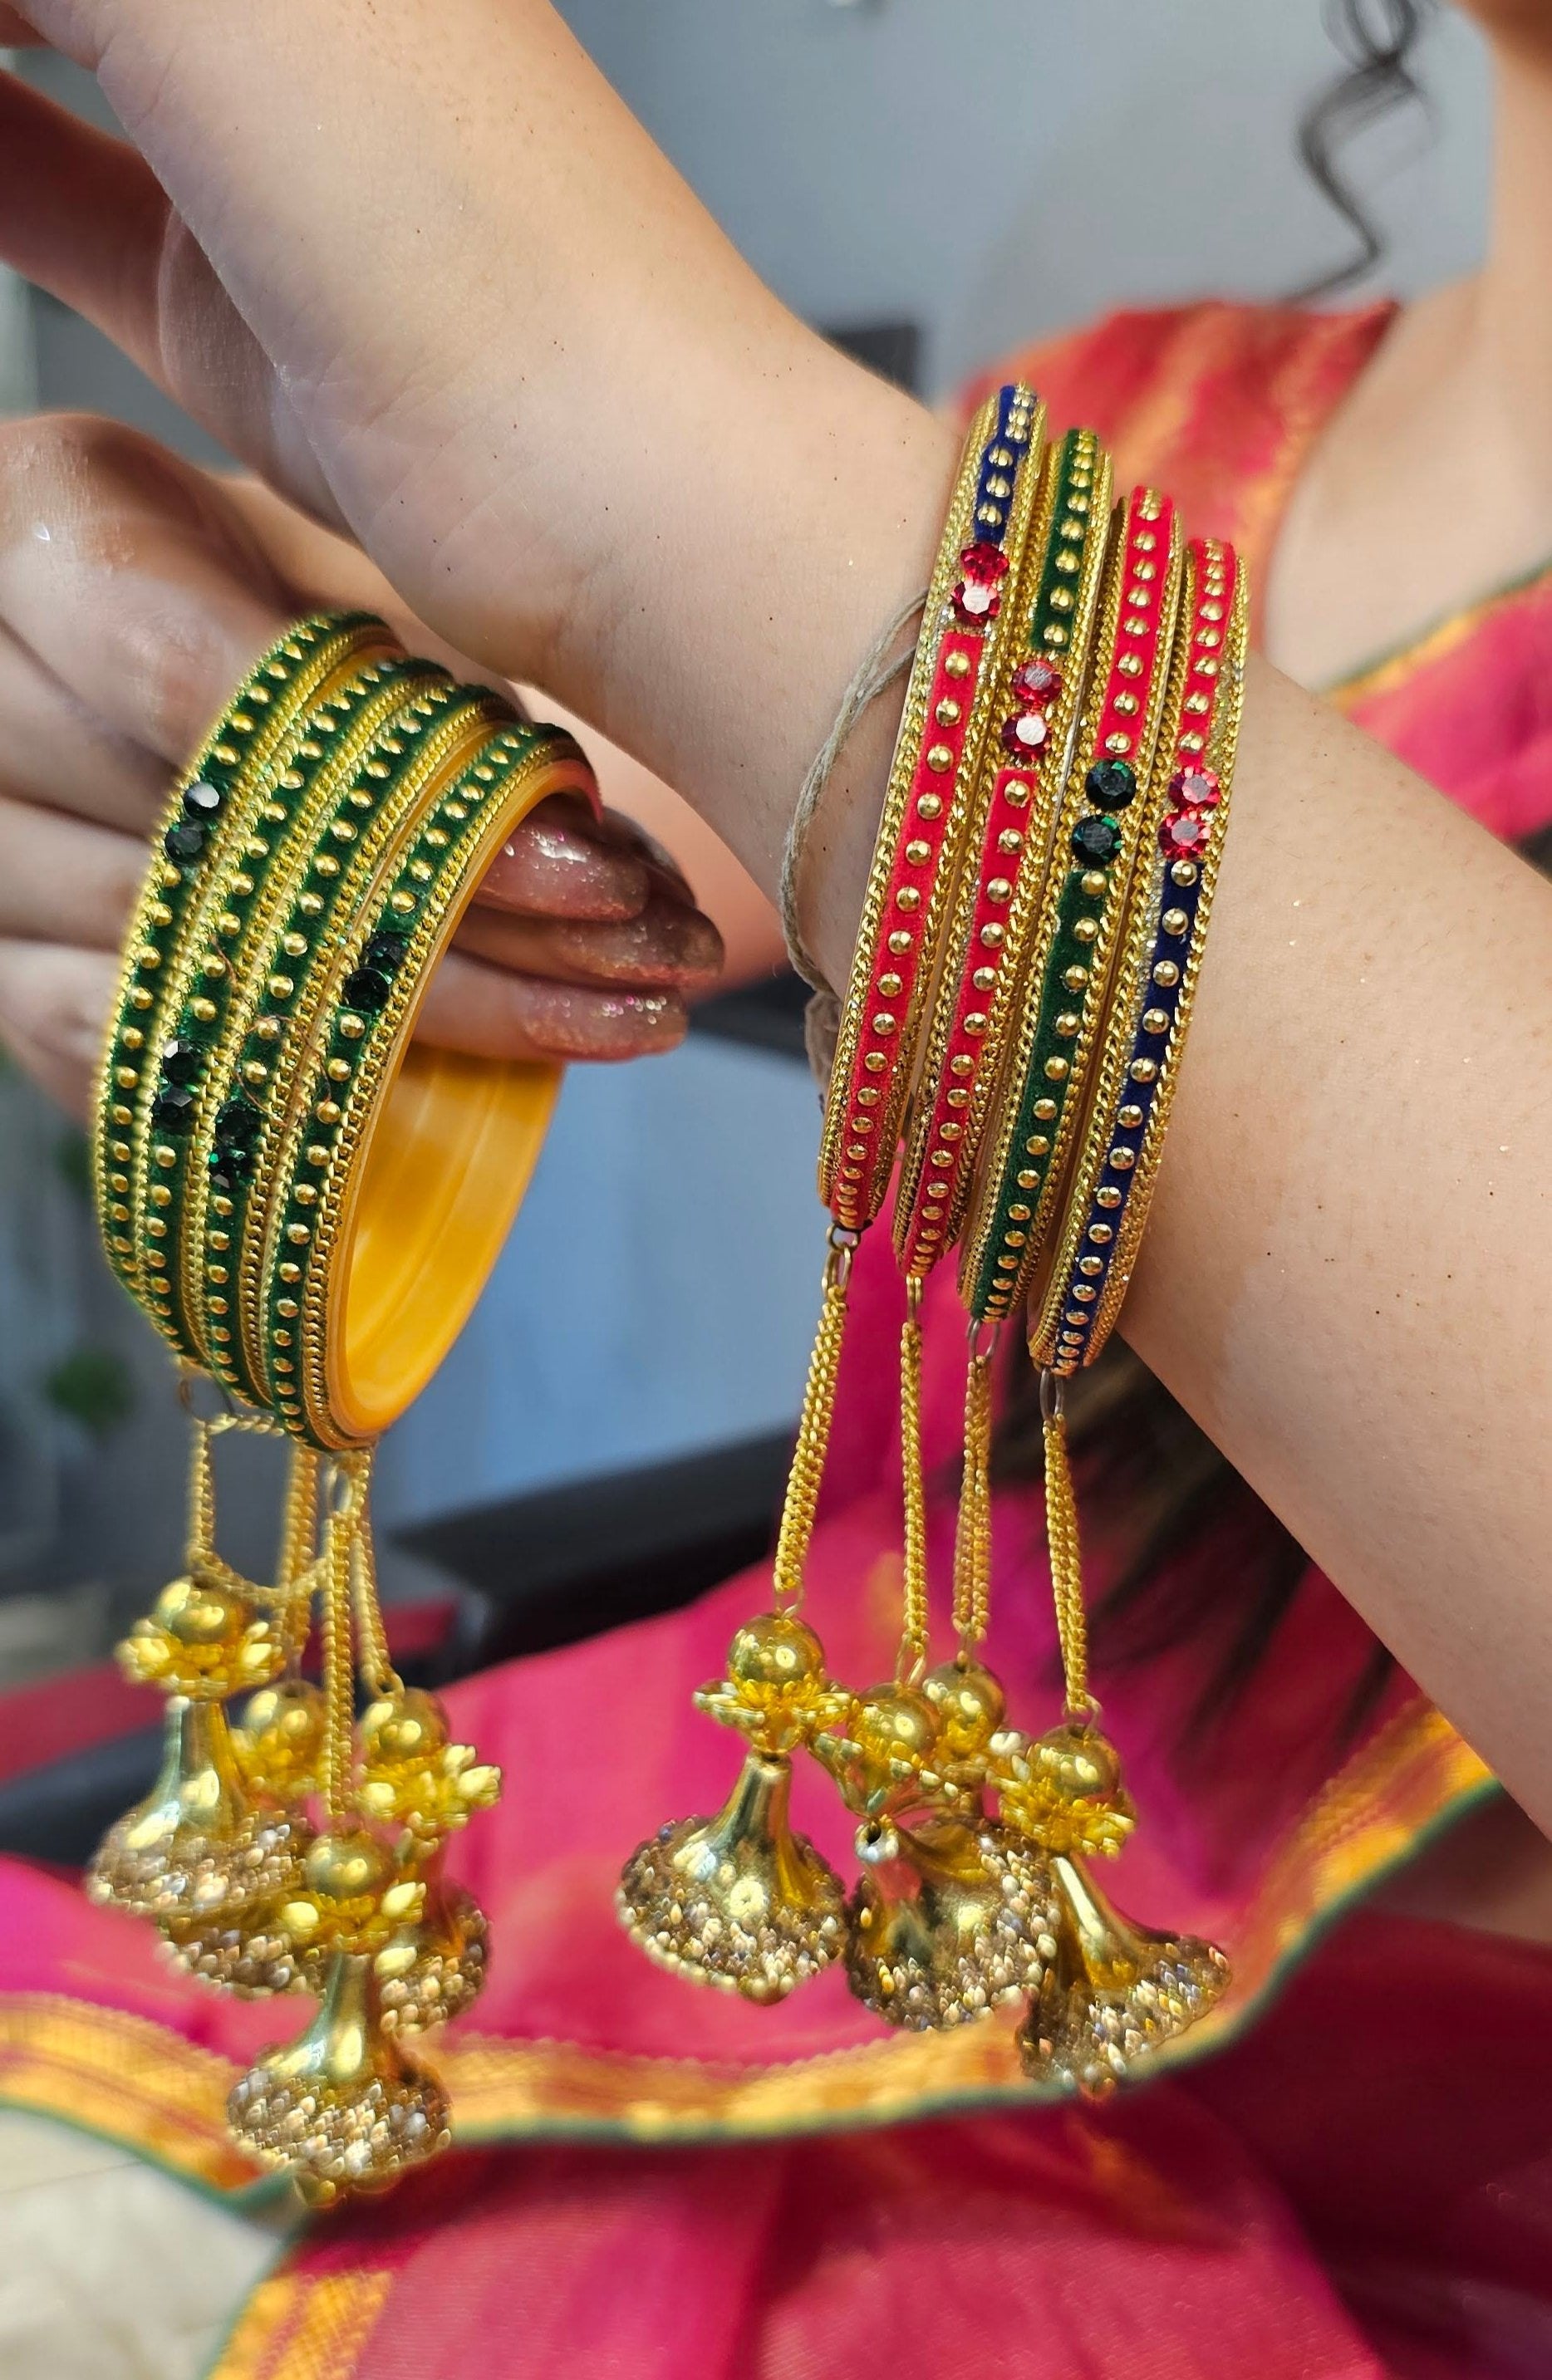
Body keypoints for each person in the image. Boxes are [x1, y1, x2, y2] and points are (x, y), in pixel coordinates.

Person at [0, 1, 1548, 2373]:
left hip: (1351, 2140)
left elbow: (728, 603)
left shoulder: (973, 538)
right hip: (779, 1847)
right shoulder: (1131, 445)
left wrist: (671, 457)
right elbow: (576, 800)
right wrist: (188, 675)